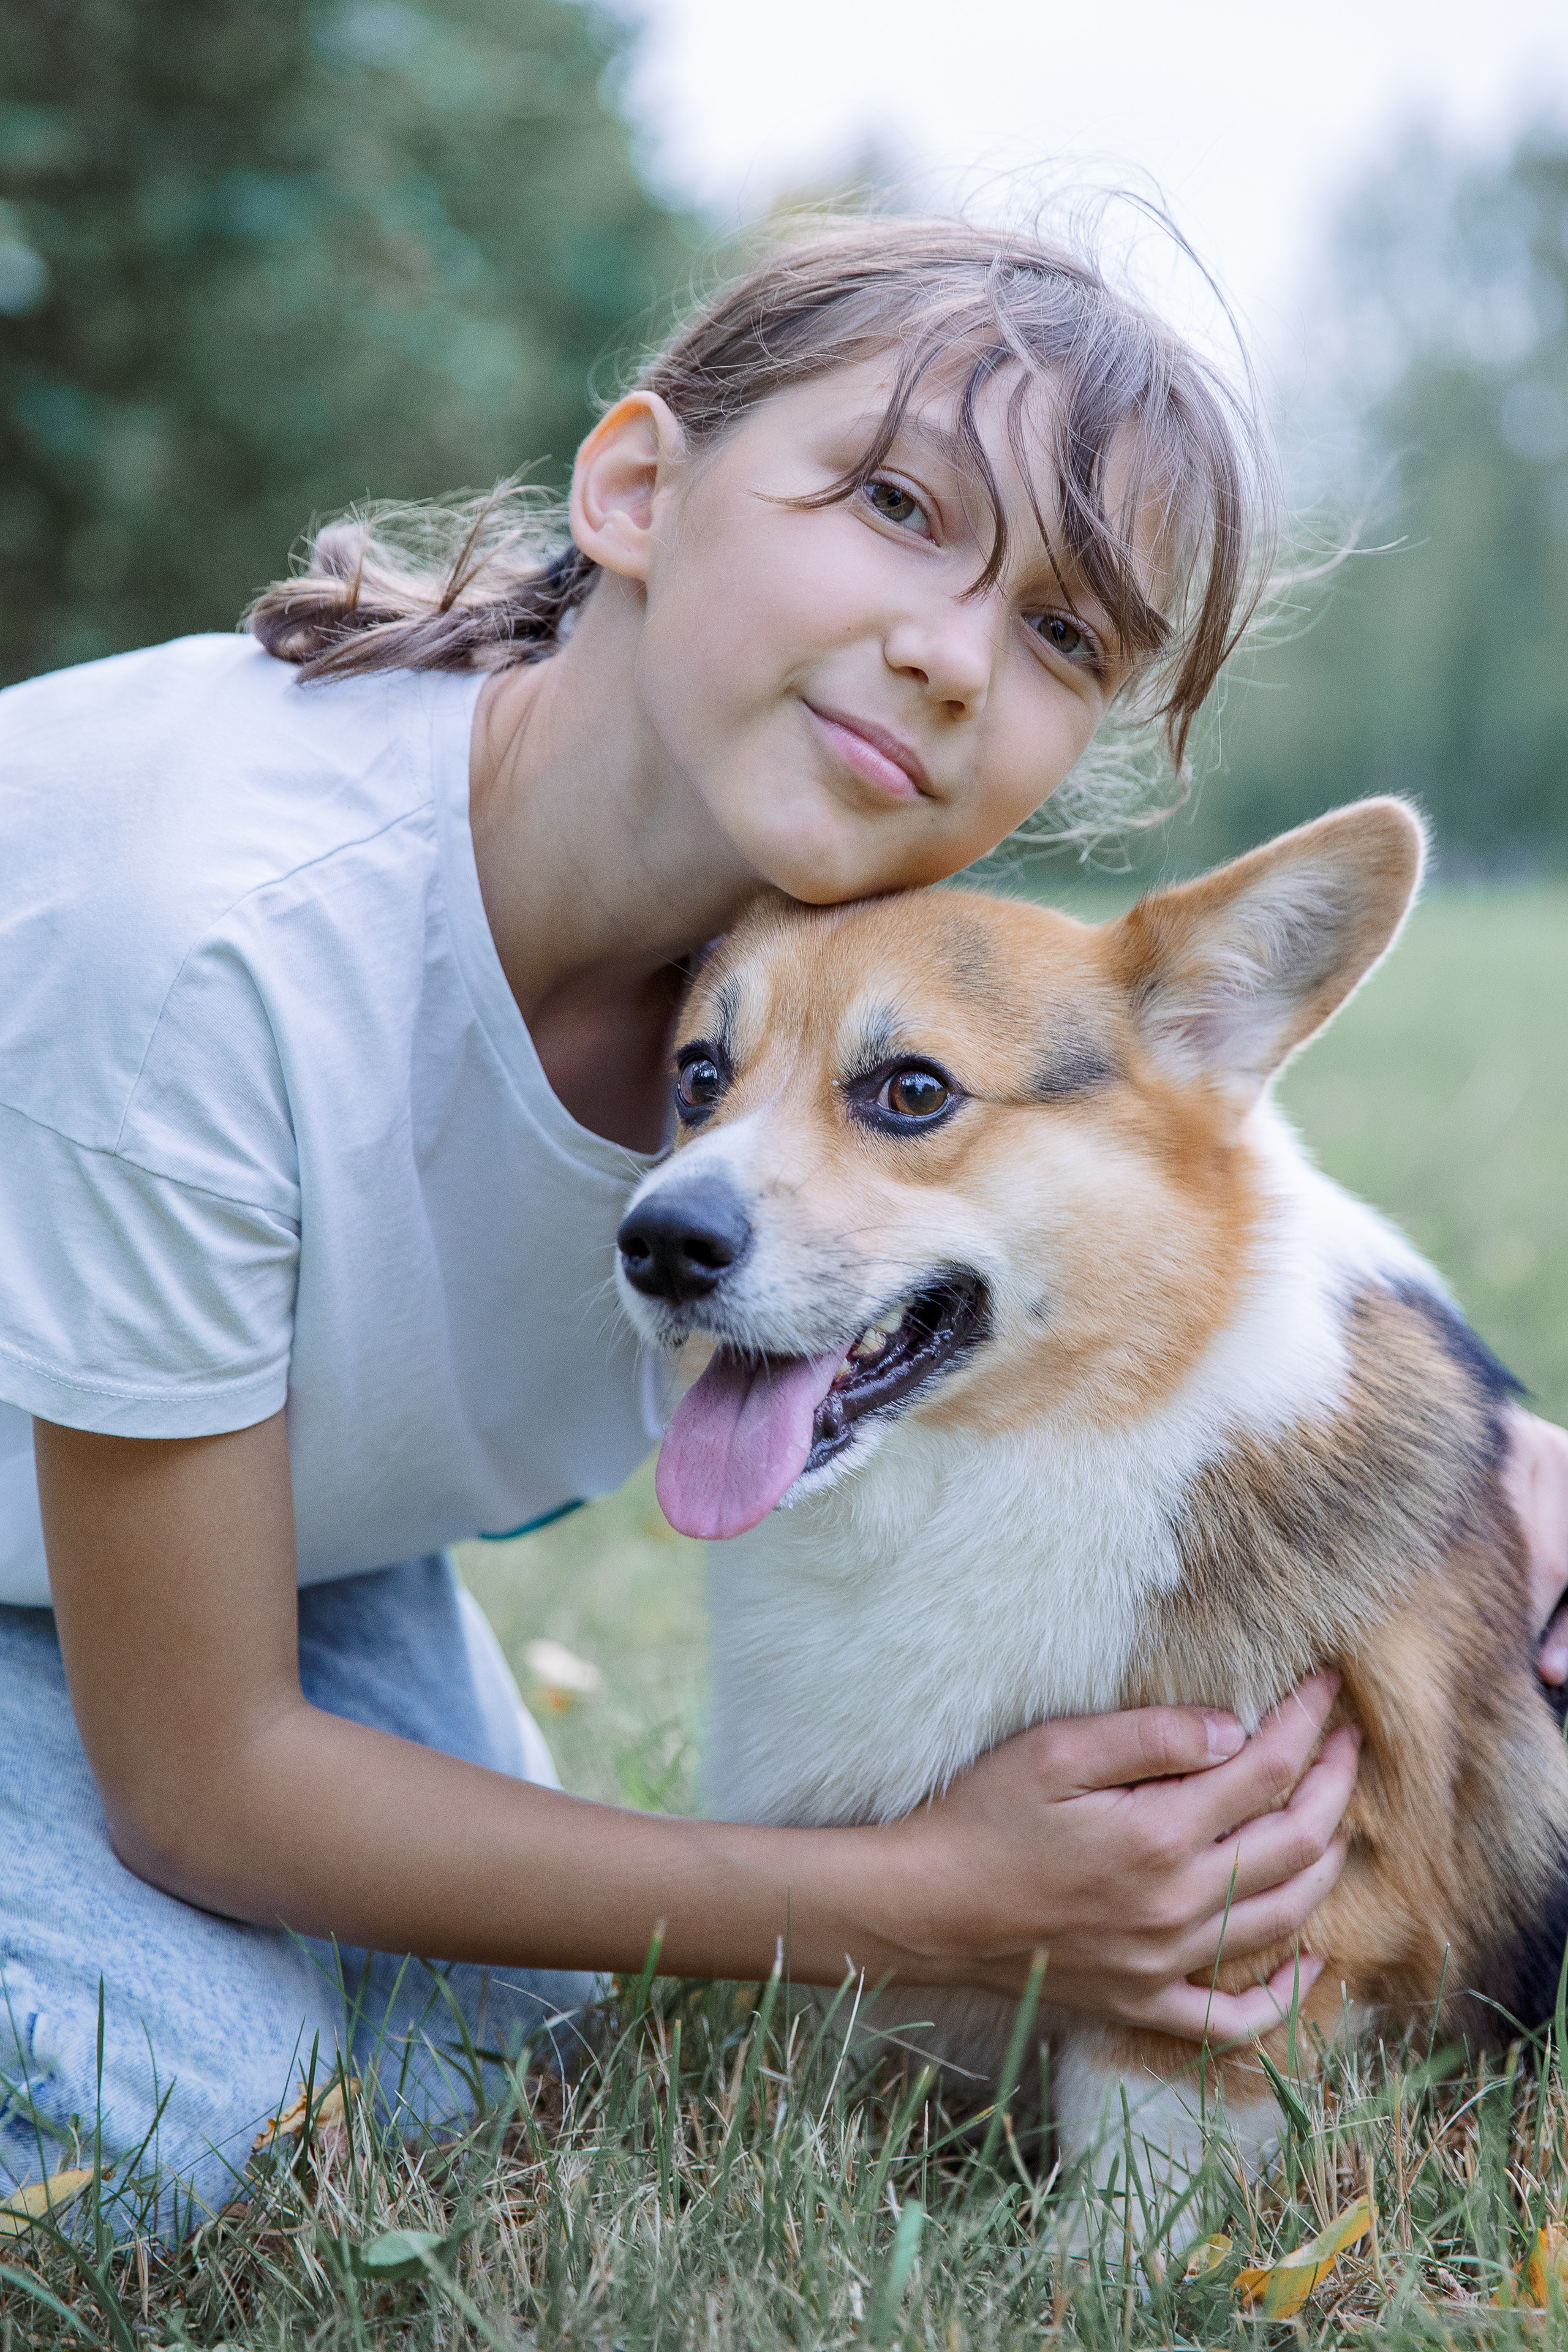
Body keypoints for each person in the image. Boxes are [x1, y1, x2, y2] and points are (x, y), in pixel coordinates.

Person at [1, 219, 1563, 2230]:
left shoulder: (790, 946)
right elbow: (206, 1785)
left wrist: (1478, 1452)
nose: (952, 654)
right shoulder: (213, 951)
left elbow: (1142, 1187)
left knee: (496, 2022)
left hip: (263, 1529)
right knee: (152, 2126)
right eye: (898, 506)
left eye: (1062, 634)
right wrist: (925, 1901)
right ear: (634, 488)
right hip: (108, 1594)